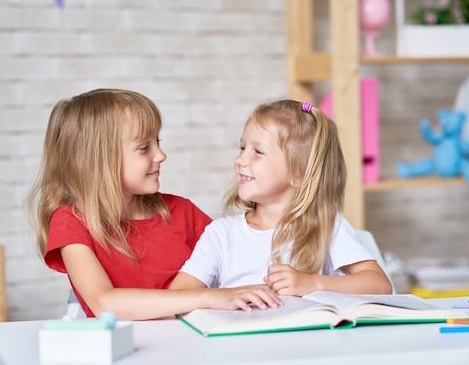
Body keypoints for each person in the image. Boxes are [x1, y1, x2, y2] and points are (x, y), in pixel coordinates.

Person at [27, 89, 282, 320]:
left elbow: (243, 263)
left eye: (157, 143)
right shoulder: (71, 221)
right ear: (100, 159)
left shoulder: (183, 212)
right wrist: (209, 297)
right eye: (143, 148)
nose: (161, 155)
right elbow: (104, 304)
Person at [170, 99, 393, 296]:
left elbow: (379, 285)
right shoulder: (221, 234)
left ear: (299, 174)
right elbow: (178, 294)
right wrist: (225, 296)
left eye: (258, 152)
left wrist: (312, 283)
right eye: (242, 147)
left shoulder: (327, 227)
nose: (240, 159)